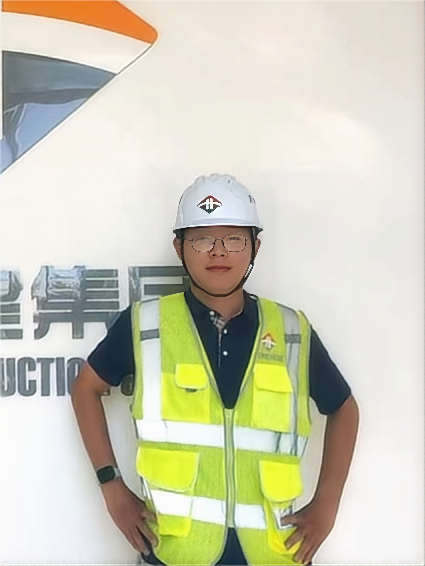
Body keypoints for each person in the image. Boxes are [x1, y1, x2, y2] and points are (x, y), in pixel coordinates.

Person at [71, 173, 359, 566]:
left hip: (272, 553)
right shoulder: (146, 324)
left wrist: (327, 504)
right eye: (202, 239)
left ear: (255, 246)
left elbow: (344, 407)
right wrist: (111, 486)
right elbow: (86, 388)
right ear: (179, 247)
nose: (218, 252)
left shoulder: (291, 330)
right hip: (175, 552)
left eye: (234, 239)